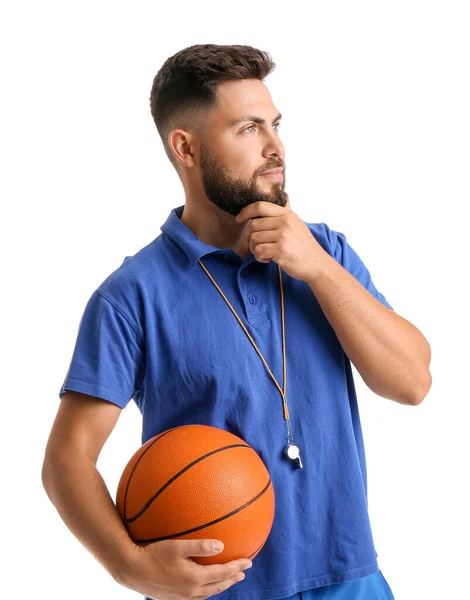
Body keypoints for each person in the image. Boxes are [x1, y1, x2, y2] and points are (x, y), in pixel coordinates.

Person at [42, 44, 432, 600]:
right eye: (248, 129)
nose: (276, 149)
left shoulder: (326, 253)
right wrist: (130, 566)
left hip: (351, 580)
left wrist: (316, 268)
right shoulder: (130, 296)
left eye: (275, 125)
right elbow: (66, 459)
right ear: (186, 148)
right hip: (219, 590)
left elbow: (412, 382)